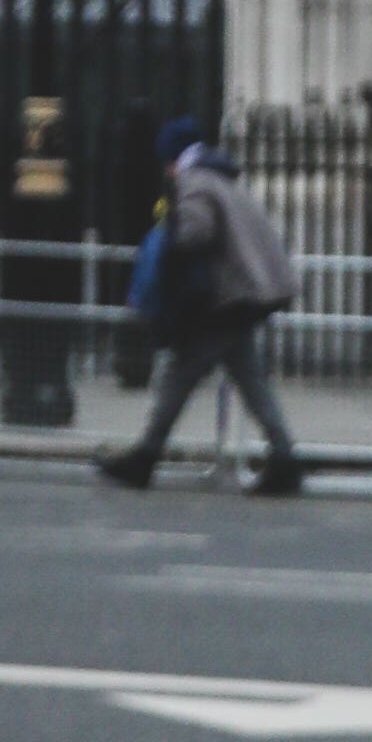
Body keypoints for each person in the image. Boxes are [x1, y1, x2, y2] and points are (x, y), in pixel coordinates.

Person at [94, 116, 303, 495]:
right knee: (249, 378)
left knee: (180, 374)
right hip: (243, 296)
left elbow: (196, 233)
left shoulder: (195, 182)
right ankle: (285, 457)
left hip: (224, 299)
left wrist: (167, 242)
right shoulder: (220, 178)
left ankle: (145, 456)